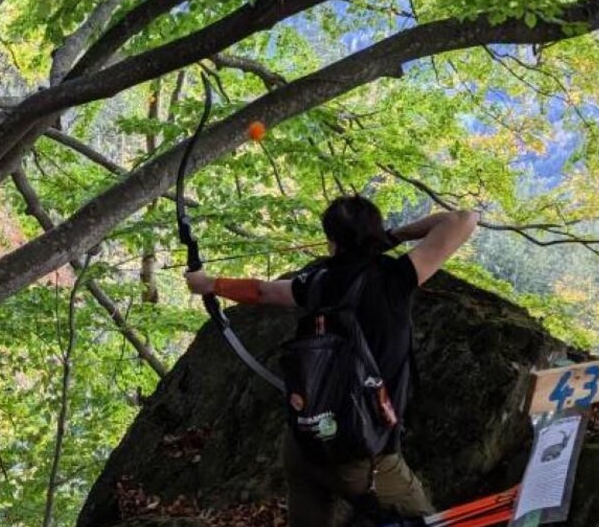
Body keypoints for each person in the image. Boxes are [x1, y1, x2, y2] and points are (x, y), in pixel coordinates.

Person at [185, 196, 479, 527]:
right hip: (363, 455)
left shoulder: (315, 282)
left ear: (331, 240)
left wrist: (209, 284)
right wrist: (393, 235)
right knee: (425, 521)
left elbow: (262, 291)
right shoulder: (396, 278)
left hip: (304, 444)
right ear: (375, 233)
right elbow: (465, 219)